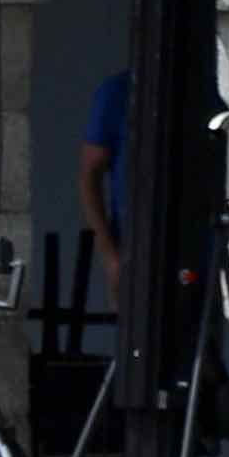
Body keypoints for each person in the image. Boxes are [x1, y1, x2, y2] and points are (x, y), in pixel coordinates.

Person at [77, 69, 131, 293]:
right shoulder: (119, 91)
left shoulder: (207, 84)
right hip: (135, 247)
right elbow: (89, 175)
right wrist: (111, 258)